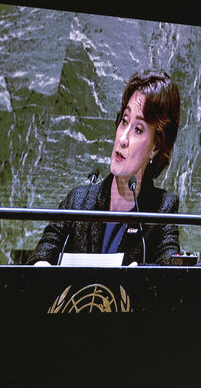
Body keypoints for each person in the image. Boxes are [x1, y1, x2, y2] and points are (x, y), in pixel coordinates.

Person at [30, 70, 183, 265]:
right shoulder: (78, 201)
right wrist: (41, 265)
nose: (123, 138)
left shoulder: (162, 209)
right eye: (124, 121)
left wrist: (144, 274)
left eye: (138, 129)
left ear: (155, 146)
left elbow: (169, 270)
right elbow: (43, 253)